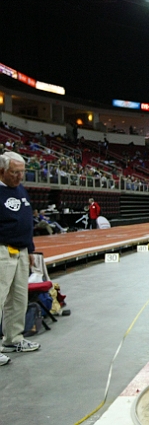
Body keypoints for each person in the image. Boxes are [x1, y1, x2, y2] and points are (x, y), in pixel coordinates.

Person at [0, 151, 41, 366]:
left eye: (22, 172)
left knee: (18, 298)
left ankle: (13, 339)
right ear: (2, 171)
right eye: (15, 173)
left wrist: (31, 250)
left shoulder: (21, 190)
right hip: (2, 250)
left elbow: (26, 221)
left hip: (22, 251)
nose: (19, 177)